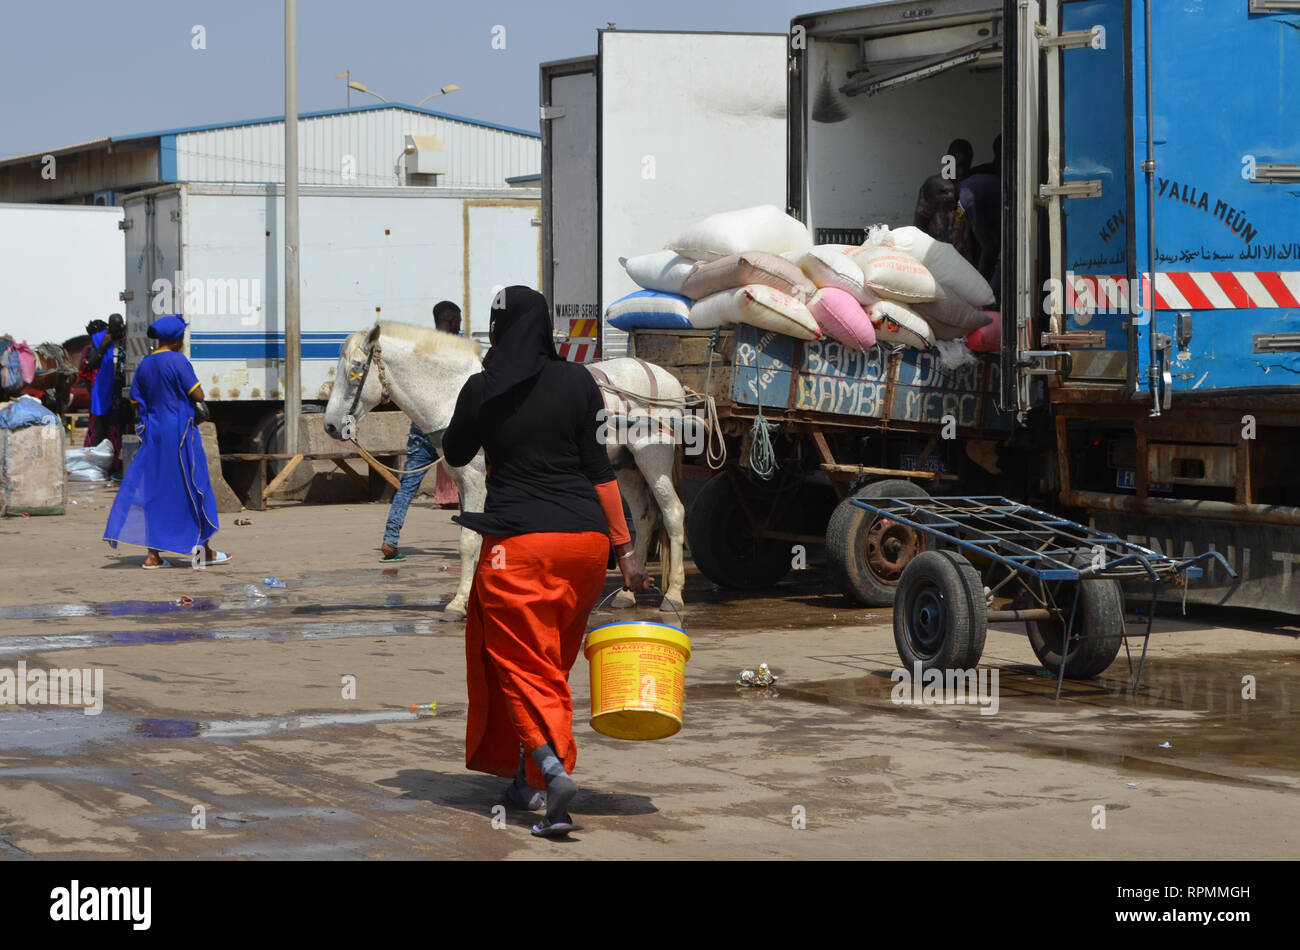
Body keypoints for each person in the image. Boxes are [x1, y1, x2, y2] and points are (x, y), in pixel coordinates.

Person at [442, 285, 651, 838]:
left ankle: (555, 776)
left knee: (518, 666)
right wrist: (625, 549)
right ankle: (524, 778)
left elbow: (456, 454)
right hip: (585, 547)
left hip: (520, 548)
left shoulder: (482, 387)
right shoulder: (580, 381)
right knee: (549, 665)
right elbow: (600, 471)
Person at [103, 315, 230, 569]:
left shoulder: (145, 365)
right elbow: (198, 394)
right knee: (194, 486)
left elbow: (136, 401)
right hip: (180, 434)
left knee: (155, 491)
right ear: (178, 338)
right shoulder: (178, 361)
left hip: (153, 434)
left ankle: (153, 556)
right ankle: (202, 552)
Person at [379, 300, 463, 561]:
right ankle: (473, 538)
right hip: (449, 425)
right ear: (451, 320)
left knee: (407, 486)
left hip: (421, 425)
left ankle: (390, 539)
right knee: (467, 483)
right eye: (459, 320)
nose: (460, 325)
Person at [913, 138, 976, 265]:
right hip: (936, 259)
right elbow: (920, 225)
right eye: (957, 165)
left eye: (965, 165)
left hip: (964, 262)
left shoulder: (970, 187)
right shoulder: (935, 186)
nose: (961, 170)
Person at [959, 133, 1002, 302]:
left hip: (1010, 234)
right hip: (995, 234)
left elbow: (989, 245)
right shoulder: (977, 178)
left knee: (992, 296)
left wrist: (976, 283)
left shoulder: (968, 192)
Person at [84, 313, 126, 474]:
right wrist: (102, 347)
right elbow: (92, 363)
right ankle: (97, 468)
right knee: (101, 430)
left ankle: (118, 466)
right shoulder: (100, 340)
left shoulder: (126, 340)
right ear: (110, 327)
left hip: (121, 391)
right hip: (104, 391)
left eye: (120, 326)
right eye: (115, 327)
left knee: (120, 429)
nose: (119, 330)